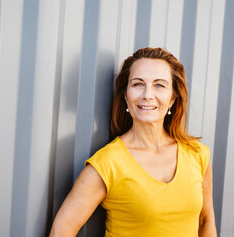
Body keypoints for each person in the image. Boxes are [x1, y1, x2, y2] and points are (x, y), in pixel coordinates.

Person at [49, 47, 217, 236]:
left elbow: (206, 220)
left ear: (172, 99)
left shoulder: (197, 154)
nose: (147, 94)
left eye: (159, 85)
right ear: (125, 96)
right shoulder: (108, 163)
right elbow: (61, 230)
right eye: (138, 84)